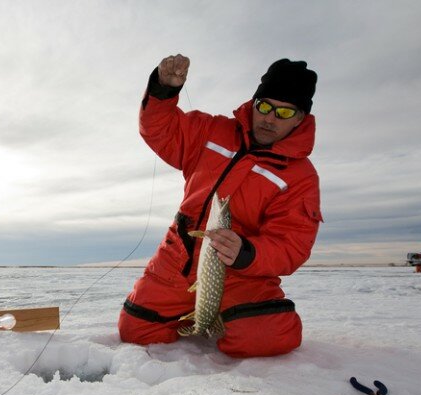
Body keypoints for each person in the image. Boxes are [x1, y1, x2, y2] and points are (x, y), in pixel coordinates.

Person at [118, 55, 322, 358]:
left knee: (269, 336)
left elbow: (291, 245)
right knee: (135, 331)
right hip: (179, 258)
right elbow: (160, 130)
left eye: (283, 112)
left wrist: (246, 253)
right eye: (264, 106)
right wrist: (163, 90)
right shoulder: (211, 131)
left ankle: (224, 317)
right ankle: (196, 315)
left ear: (300, 118)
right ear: (253, 104)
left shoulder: (300, 177)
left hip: (242, 275)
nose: (269, 118)